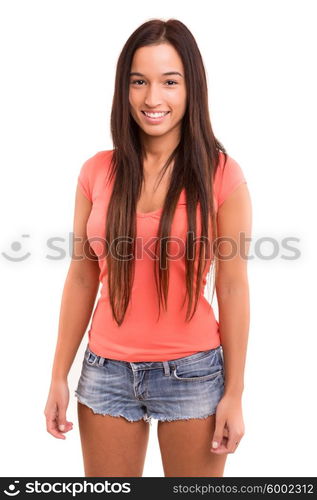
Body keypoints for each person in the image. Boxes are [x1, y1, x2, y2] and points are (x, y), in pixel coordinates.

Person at [44, 18, 252, 477]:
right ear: (125, 88)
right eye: (139, 81)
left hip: (193, 374)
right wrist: (59, 373)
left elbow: (234, 287)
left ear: (191, 89)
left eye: (169, 82)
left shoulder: (222, 176)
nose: (152, 99)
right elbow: (82, 275)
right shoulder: (97, 171)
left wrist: (234, 392)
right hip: (105, 373)